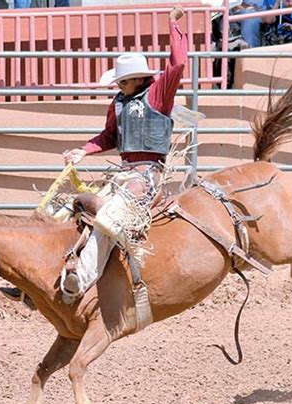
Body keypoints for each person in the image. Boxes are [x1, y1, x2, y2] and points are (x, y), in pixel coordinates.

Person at [58, 5, 188, 305]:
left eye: (123, 80)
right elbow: (108, 136)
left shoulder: (158, 94)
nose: (119, 85)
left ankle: (80, 281)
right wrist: (84, 150)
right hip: (124, 174)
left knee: (109, 215)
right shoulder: (118, 103)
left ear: (139, 79)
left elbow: (178, 63)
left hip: (147, 175)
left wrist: (174, 27)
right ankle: (56, 270)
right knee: (70, 208)